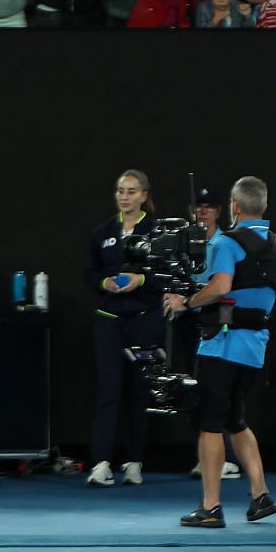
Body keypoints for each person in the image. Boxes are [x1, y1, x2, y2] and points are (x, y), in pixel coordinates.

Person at [167, 176, 276, 529]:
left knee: (209, 424)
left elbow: (221, 287)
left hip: (222, 345)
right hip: (255, 348)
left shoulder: (227, 244)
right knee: (236, 419)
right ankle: (260, 495)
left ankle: (210, 506)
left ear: (234, 207)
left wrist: (186, 301)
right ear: (264, 206)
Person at [82, 171, 162, 488]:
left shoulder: (156, 232)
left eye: (131, 191)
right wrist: (105, 282)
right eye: (120, 191)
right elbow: (89, 273)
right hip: (108, 321)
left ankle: (134, 461)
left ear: (144, 195)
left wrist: (140, 280)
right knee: (109, 391)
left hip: (144, 320)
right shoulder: (102, 232)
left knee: (140, 391)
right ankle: (101, 462)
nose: (124, 197)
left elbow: (166, 275)